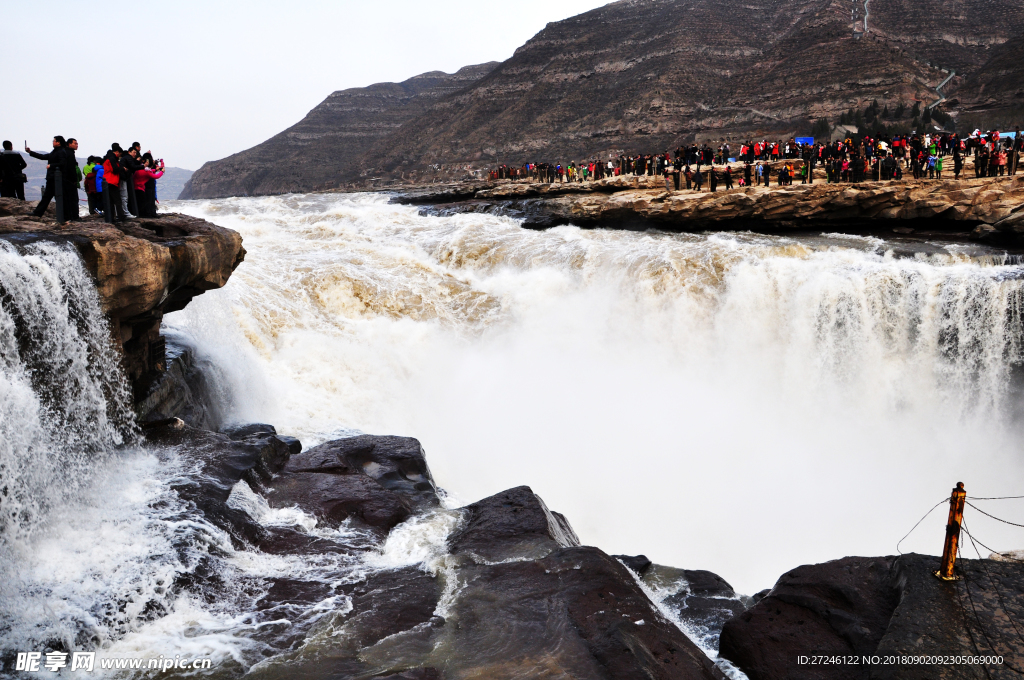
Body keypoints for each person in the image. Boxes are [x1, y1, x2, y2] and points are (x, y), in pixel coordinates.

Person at [26, 136, 67, 218]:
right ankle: (38, 212)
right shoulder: (55, 152)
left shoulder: (61, 152)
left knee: (51, 197)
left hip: (55, 178)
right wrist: (30, 152)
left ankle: (39, 213)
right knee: (48, 197)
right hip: (52, 178)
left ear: (58, 142)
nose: (53, 142)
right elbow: (43, 157)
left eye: (54, 141)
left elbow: (63, 163)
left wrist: (51, 165)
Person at [102, 144, 125, 223]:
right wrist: (122, 168)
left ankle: (111, 218)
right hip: (112, 182)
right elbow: (115, 169)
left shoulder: (107, 159)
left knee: (110, 202)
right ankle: (121, 217)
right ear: (117, 152)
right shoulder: (112, 159)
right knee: (117, 201)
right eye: (120, 154)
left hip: (107, 182)